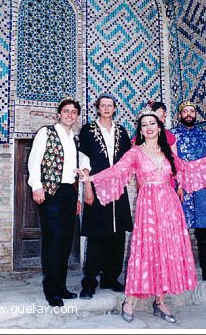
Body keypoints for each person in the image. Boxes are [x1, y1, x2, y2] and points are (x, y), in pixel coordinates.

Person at [75, 107, 206, 323]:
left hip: (170, 206)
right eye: (144, 125)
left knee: (165, 250)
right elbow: (117, 170)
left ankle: (160, 301)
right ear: (141, 131)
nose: (149, 128)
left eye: (152, 124)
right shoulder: (135, 152)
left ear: (159, 128)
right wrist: (91, 179)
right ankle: (130, 301)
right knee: (145, 250)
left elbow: (186, 168)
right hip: (149, 206)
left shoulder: (168, 153)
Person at [27, 97, 82, 307]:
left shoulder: (73, 139)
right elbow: (34, 160)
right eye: (66, 111)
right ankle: (52, 291)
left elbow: (72, 172)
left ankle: (61, 286)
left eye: (73, 112)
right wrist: (36, 186)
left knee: (66, 240)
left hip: (68, 192)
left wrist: (75, 198)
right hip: (50, 192)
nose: (70, 115)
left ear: (76, 116)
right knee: (54, 240)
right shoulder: (46, 132)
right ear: (59, 114)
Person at [78, 93, 133, 299]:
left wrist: (125, 179)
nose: (107, 108)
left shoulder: (121, 131)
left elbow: (128, 159)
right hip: (97, 186)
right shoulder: (88, 131)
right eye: (103, 105)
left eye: (110, 105)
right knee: (96, 235)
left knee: (118, 234)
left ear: (115, 108)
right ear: (98, 108)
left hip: (118, 189)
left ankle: (110, 278)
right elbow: (84, 161)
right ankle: (89, 281)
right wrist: (88, 187)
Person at [172, 100, 206, 284]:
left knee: (205, 229)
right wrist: (176, 185)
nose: (188, 114)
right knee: (180, 229)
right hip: (182, 187)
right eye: (185, 111)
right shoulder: (173, 135)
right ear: (180, 115)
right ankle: (181, 272)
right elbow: (172, 162)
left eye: (191, 111)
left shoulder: (204, 135)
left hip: (202, 187)